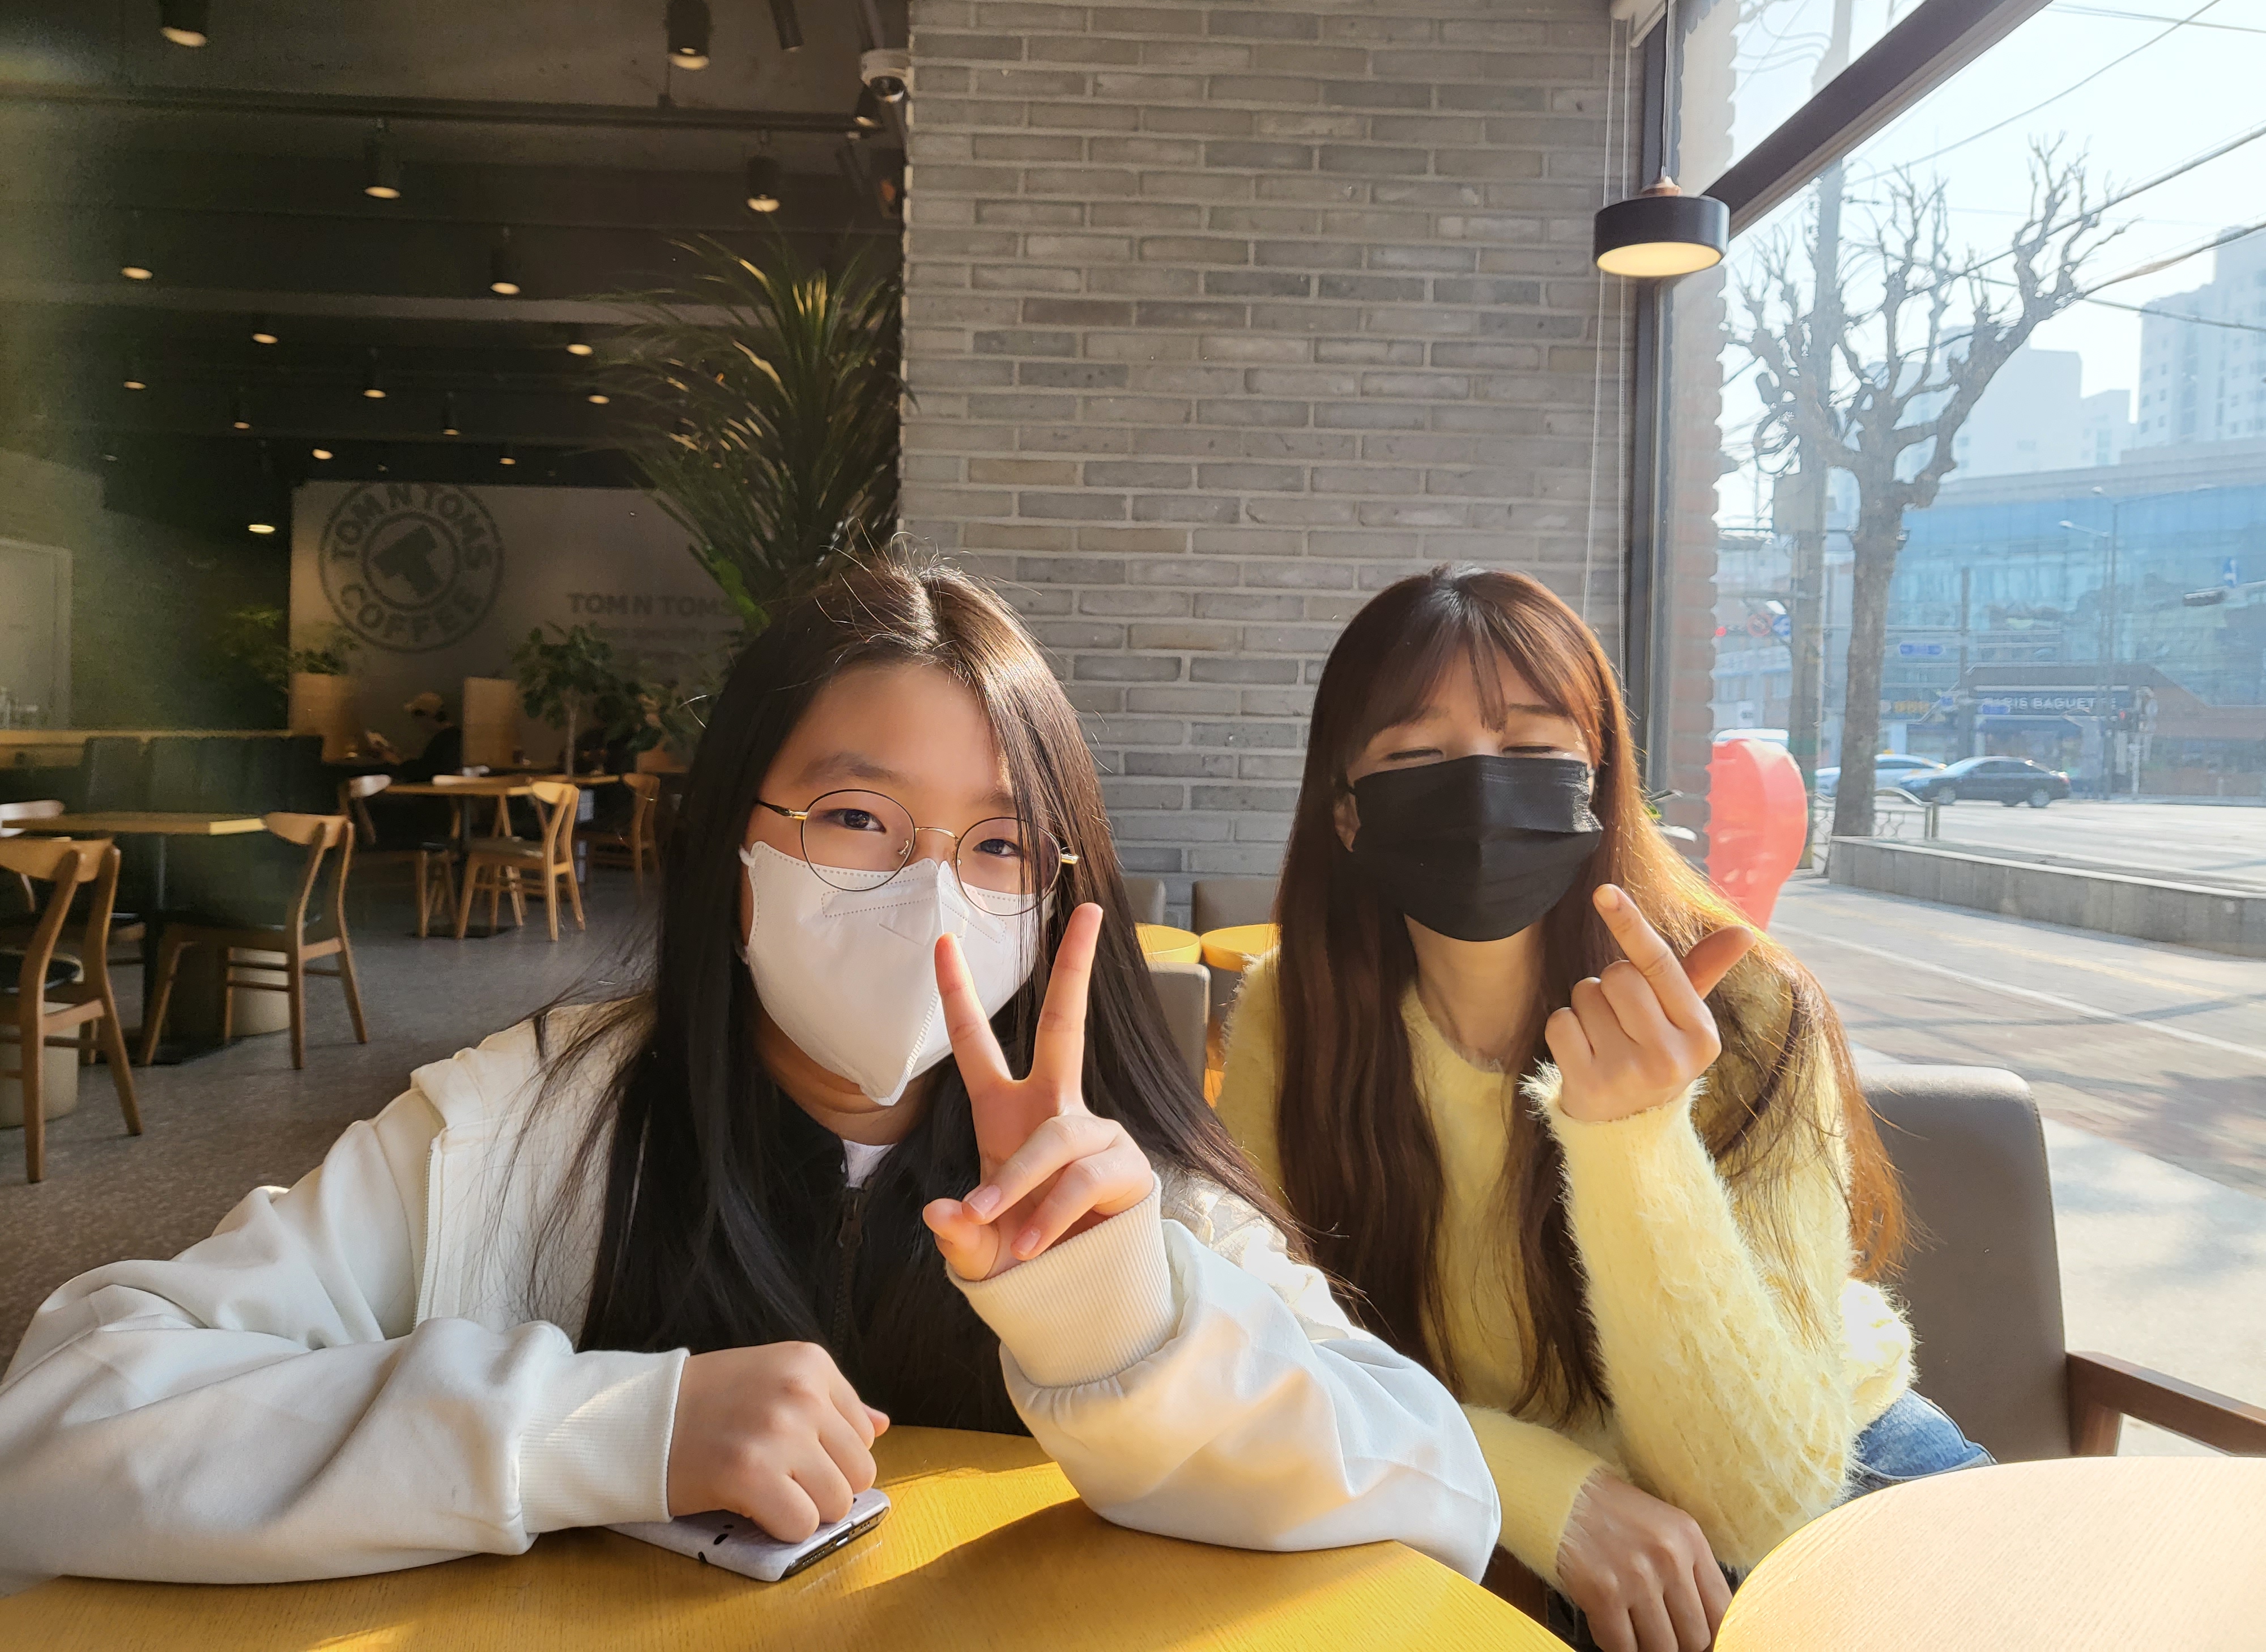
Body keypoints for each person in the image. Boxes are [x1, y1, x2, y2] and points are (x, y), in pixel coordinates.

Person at [0, 558, 1498, 1593]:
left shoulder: (1121, 1183)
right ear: (733, 843)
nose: (931, 894)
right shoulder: (518, 1128)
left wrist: (1123, 1324)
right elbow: (60, 1431)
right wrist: (607, 1431)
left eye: (997, 845)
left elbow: (1441, 1495)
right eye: (855, 818)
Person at [1214, 567, 1987, 1652]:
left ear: (1597, 783)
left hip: (1848, 1481)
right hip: (1500, 1525)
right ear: (1346, 812)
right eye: (1418, 756)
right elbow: (1262, 1345)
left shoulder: (1746, 1010)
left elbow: (1753, 1499)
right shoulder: (1295, 1020)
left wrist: (1635, 1139)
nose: (1480, 789)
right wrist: (1538, 1488)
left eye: (1533, 748)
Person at [398, 690, 463, 782]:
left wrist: (398, 762)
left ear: (425, 715)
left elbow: (425, 772)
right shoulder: (453, 736)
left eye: (416, 718)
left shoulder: (444, 740)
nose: (417, 724)